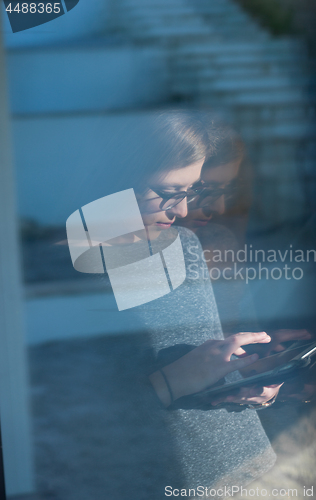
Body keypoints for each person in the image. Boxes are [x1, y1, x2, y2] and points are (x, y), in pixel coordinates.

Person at [71, 110, 279, 495]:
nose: (183, 211)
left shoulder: (184, 244)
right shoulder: (67, 270)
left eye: (191, 192)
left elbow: (203, 353)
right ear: (115, 178)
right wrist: (169, 383)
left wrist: (250, 377)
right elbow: (70, 418)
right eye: (169, 193)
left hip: (250, 467)